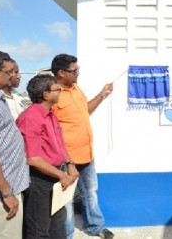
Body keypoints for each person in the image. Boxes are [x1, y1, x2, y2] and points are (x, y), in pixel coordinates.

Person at [51, 54, 114, 239]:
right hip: (66, 158)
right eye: (74, 70)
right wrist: (67, 160)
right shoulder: (53, 94)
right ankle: (67, 234)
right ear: (61, 73)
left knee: (90, 192)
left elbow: (86, 111)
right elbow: (51, 130)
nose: (78, 73)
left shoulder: (75, 88)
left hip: (87, 153)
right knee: (67, 199)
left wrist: (102, 95)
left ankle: (95, 226)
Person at [17, 74, 79, 238]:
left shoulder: (50, 114)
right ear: (45, 94)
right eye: (56, 89)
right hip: (40, 180)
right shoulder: (31, 117)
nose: (60, 91)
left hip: (56, 177)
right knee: (39, 231)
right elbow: (33, 158)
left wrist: (70, 165)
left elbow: (59, 145)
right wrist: (61, 175)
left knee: (58, 228)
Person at [0, 50, 30, 238]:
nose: (12, 76)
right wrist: (6, 192)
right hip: (0, 196)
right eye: (8, 72)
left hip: (9, 188)